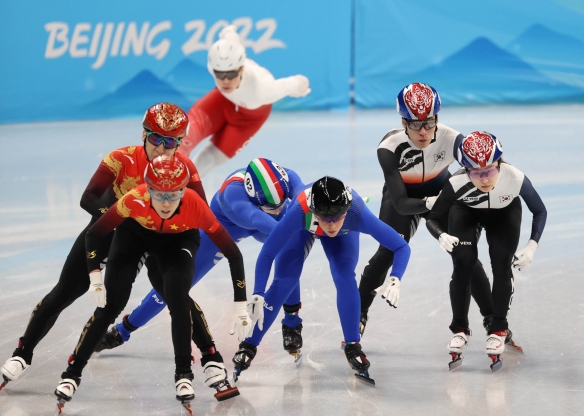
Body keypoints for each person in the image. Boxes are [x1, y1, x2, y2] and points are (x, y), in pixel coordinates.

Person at [0, 102, 209, 391]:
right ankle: (22, 354)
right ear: (143, 135)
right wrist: (116, 221)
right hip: (113, 230)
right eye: (156, 139)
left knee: (175, 295)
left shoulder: (185, 168)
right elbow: (89, 197)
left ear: (179, 142)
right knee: (67, 290)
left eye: (171, 141)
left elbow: (201, 212)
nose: (162, 148)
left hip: (158, 237)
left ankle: (210, 358)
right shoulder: (120, 159)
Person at [53, 155, 245, 414]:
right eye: (158, 194)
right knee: (111, 305)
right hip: (135, 236)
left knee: (177, 297)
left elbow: (233, 254)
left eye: (173, 194)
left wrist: (240, 304)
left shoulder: (195, 205)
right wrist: (95, 277)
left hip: (177, 241)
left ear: (183, 190)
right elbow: (94, 233)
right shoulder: (133, 199)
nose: (166, 203)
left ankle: (184, 374)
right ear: (147, 189)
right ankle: (72, 372)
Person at [96, 157, 308, 358]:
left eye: (282, 203)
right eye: (273, 207)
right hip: (224, 229)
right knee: (171, 287)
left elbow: (303, 196)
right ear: (253, 195)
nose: (279, 209)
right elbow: (257, 218)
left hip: (260, 222)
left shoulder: (286, 179)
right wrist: (297, 226)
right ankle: (123, 330)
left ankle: (292, 323)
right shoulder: (233, 193)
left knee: (289, 255)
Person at [232, 176, 411, 384]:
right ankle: (254, 343)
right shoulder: (299, 210)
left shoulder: (356, 213)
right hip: (303, 228)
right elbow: (267, 254)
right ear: (314, 211)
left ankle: (353, 345)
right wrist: (257, 293)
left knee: (344, 276)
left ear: (346, 211)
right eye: (325, 219)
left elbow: (401, 246)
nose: (332, 225)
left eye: (337, 217)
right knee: (285, 279)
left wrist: (396, 277)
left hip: (345, 233)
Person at [358, 83, 494, 337]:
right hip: (404, 196)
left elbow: (481, 171)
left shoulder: (454, 140)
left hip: (442, 190)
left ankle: (492, 319)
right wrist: (430, 203)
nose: (423, 131)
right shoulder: (389, 147)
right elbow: (399, 203)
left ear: (437, 118)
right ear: (403, 121)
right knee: (387, 252)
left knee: (465, 253)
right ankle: (359, 313)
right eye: (415, 124)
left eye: (429, 123)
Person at [425, 131, 547, 371]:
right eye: (476, 173)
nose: (484, 179)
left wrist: (532, 245)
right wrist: (441, 234)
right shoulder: (457, 182)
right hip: (466, 210)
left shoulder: (515, 177)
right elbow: (433, 218)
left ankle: (498, 327)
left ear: (499, 164)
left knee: (501, 264)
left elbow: (540, 211)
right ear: (466, 170)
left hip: (504, 212)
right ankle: (460, 328)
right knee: (463, 263)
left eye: (490, 170)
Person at [177, 25, 311, 176]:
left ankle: (184, 189)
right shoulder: (222, 57)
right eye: (219, 75)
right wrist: (229, 30)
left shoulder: (263, 90)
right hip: (222, 101)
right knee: (182, 139)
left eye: (231, 74)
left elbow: (292, 84)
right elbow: (230, 38)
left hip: (248, 119)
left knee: (208, 161)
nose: (225, 81)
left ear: (241, 68)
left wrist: (301, 85)